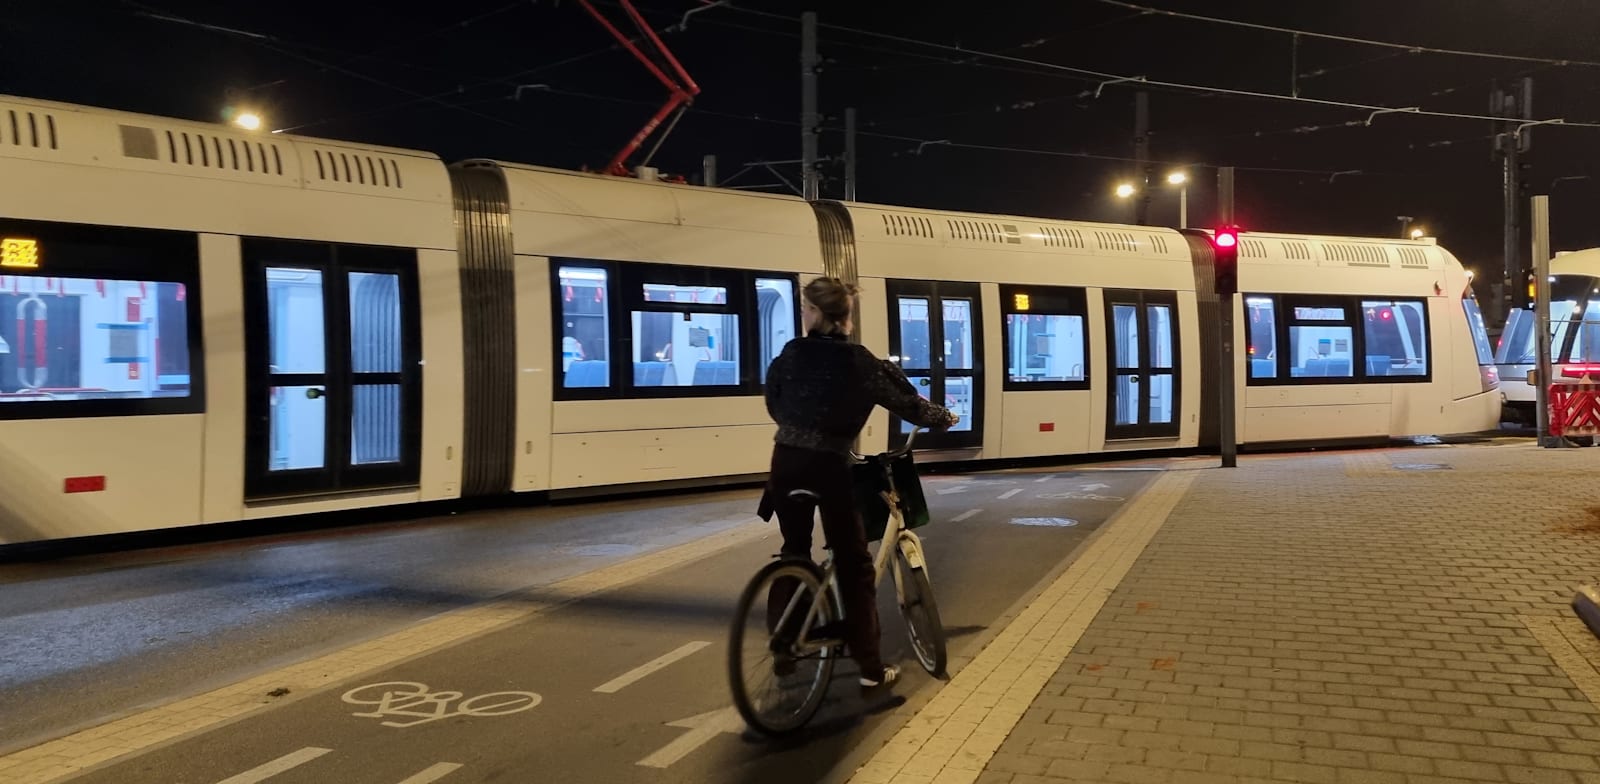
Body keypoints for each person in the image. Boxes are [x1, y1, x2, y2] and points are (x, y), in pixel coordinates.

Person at [758, 276, 957, 689]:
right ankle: (870, 669)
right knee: (853, 564)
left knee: (794, 550)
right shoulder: (860, 362)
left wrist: (799, 428)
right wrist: (945, 417)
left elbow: (773, 400)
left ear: (814, 314)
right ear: (846, 316)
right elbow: (909, 404)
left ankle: (784, 639)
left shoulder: (791, 354)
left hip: (785, 462)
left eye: (804, 309)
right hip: (827, 465)